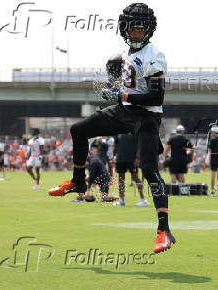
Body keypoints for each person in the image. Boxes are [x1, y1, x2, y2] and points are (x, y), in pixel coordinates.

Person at [48, 3, 175, 253]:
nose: (137, 33)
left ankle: (164, 230)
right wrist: (118, 93)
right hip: (123, 112)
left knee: (149, 169)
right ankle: (77, 181)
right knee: (78, 130)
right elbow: (127, 89)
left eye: (142, 29)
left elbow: (156, 98)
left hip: (145, 117)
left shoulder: (154, 55)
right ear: (124, 29)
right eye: (133, 28)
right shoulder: (124, 54)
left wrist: (125, 96)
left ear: (149, 30)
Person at [113, 133, 148, 207]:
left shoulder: (135, 132)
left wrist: (138, 158)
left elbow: (139, 146)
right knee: (121, 179)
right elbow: (115, 146)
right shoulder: (118, 132)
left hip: (132, 159)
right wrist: (113, 156)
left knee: (135, 178)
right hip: (120, 159)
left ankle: (143, 199)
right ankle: (122, 200)